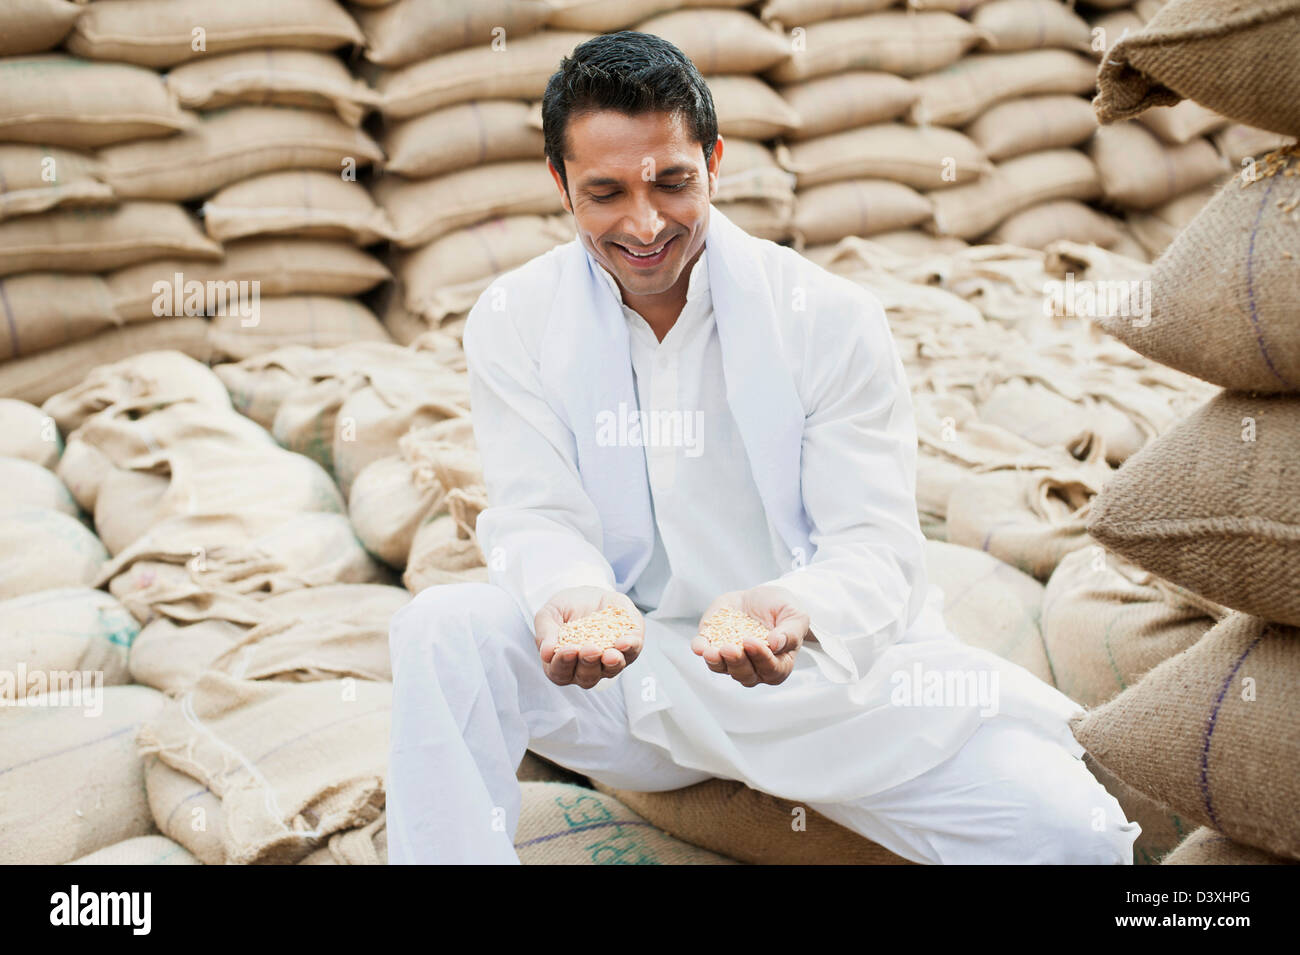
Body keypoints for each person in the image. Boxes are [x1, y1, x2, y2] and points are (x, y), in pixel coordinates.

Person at [386, 31, 1140, 865]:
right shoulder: (513, 319)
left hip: (833, 692)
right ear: (561, 186)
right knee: (444, 628)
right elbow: (537, 512)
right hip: (631, 680)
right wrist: (570, 594)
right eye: (605, 192)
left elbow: (875, 547)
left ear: (714, 160)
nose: (644, 223)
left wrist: (797, 609)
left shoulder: (829, 317)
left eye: (671, 182)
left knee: (1076, 833)